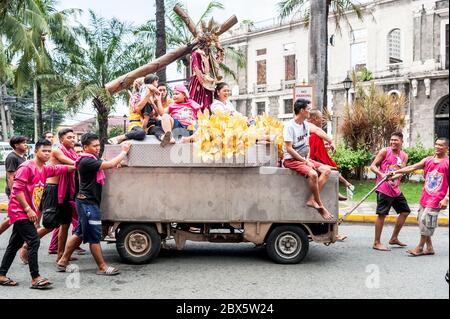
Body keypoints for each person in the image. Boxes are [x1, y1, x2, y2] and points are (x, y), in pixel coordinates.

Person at [0, 139, 75, 289]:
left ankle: (1, 274)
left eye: (49, 151)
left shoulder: (45, 169)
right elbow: (17, 189)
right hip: (20, 211)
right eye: (44, 151)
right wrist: (28, 209)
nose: (47, 154)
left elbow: (61, 169)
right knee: (34, 241)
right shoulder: (27, 167)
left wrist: (80, 165)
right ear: (36, 152)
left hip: (26, 211)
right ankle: (35, 278)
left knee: (14, 244)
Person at [57, 133, 131, 276]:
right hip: (88, 203)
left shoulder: (90, 159)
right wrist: (124, 151)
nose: (98, 148)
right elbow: (108, 164)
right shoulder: (86, 160)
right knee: (94, 236)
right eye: (94, 146)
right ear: (85, 147)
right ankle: (102, 267)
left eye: (98, 145)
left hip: (86, 201)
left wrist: (116, 162)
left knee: (79, 233)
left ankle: (63, 261)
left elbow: (106, 164)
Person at [393, 138, 449, 256]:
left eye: (441, 145)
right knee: (422, 220)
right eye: (436, 144)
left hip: (438, 198)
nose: (438, 147)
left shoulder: (448, 162)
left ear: (446, 148)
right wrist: (395, 173)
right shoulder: (428, 160)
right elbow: (411, 167)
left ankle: (420, 247)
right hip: (425, 196)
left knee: (425, 220)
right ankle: (429, 247)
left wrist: (446, 198)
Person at [282, 99, 335, 221]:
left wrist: (330, 141)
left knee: (326, 170)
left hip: (304, 159)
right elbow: (289, 149)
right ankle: (320, 205)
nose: (309, 112)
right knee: (313, 174)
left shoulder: (305, 125)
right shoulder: (289, 126)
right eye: (308, 110)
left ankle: (312, 199)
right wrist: (305, 161)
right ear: (301, 111)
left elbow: (310, 140)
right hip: (292, 160)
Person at [42, 129, 81, 261]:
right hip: (54, 189)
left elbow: (78, 160)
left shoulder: (71, 152)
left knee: (65, 224)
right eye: (69, 137)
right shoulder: (57, 150)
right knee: (50, 225)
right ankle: (25, 247)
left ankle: (61, 255)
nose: (73, 140)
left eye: (73, 137)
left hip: (65, 191)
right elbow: (75, 163)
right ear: (61, 140)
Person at [370, 132, 410, 251]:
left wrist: (396, 176)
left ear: (402, 142)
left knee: (405, 211)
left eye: (396, 140)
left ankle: (394, 238)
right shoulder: (385, 151)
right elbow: (373, 166)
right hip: (384, 188)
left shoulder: (404, 155)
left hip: (395, 189)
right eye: (391, 140)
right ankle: (376, 242)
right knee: (382, 214)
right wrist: (382, 174)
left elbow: (401, 171)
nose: (393, 142)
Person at [308, 110, 354, 201]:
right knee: (330, 167)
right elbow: (315, 154)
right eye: (321, 118)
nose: (322, 120)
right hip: (310, 160)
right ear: (315, 119)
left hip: (311, 160)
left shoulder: (314, 132)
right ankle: (316, 198)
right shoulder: (314, 135)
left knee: (331, 166)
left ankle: (339, 188)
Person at [0, 136, 27, 237]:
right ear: (16, 145)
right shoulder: (12, 157)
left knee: (17, 216)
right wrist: (13, 193)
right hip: (15, 191)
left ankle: (20, 238)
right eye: (23, 142)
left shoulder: (21, 157)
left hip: (21, 191)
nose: (26, 144)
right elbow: (10, 177)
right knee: (11, 216)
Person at [188, 38, 224, 110]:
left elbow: (216, 64)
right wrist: (204, 81)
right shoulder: (196, 53)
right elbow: (197, 69)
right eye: (208, 42)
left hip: (208, 82)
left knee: (208, 103)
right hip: (199, 81)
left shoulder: (209, 54)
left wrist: (220, 50)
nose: (210, 44)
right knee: (199, 102)